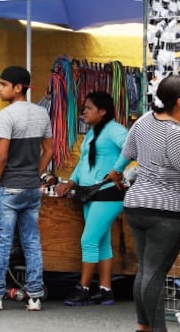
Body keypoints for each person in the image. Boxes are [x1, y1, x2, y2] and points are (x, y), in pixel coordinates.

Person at [120, 74, 180, 332]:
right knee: (156, 270)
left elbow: (130, 151)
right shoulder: (176, 135)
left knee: (146, 268)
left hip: (137, 202)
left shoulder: (145, 121)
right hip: (167, 209)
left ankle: (143, 327)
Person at [0, 66, 52, 312]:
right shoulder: (41, 114)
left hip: (9, 188)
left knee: (2, 242)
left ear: (18, 87)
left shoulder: (7, 115)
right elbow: (50, 150)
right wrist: (35, 173)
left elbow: (1, 156)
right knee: (31, 241)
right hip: (32, 188)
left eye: (3, 84)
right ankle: (34, 295)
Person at [56, 91, 130, 307]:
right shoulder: (92, 133)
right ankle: (105, 290)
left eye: (88, 108)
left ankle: (83, 289)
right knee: (101, 242)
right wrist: (70, 182)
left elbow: (130, 147)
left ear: (103, 111)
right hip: (90, 192)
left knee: (88, 240)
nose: (84, 112)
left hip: (107, 192)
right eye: (84, 108)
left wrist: (117, 170)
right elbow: (82, 163)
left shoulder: (114, 130)